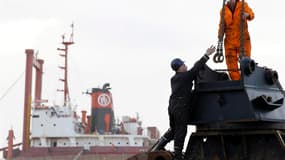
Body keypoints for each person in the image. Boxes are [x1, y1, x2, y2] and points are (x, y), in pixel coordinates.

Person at [150, 45, 216, 160]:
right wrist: (207, 55)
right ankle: (178, 156)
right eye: (184, 65)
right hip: (180, 108)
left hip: (172, 107)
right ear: (180, 68)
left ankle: (159, 146)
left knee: (174, 129)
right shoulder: (184, 77)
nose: (186, 66)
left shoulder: (174, 78)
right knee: (181, 131)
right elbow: (196, 69)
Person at [218, 0, 254, 80]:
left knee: (245, 63)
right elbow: (222, 24)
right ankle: (237, 82)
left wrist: (247, 15)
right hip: (229, 41)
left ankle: (246, 80)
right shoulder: (223, 11)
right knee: (231, 65)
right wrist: (220, 36)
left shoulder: (243, 5)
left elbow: (252, 14)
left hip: (243, 40)